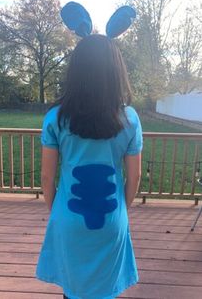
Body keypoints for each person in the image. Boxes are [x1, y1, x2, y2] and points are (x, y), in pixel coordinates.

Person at [36, 34, 143, 299]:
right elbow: (135, 176)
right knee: (106, 290)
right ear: (116, 71)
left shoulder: (56, 118)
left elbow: (47, 177)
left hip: (68, 218)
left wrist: (58, 212)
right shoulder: (130, 118)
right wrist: (121, 209)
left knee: (73, 292)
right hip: (111, 219)